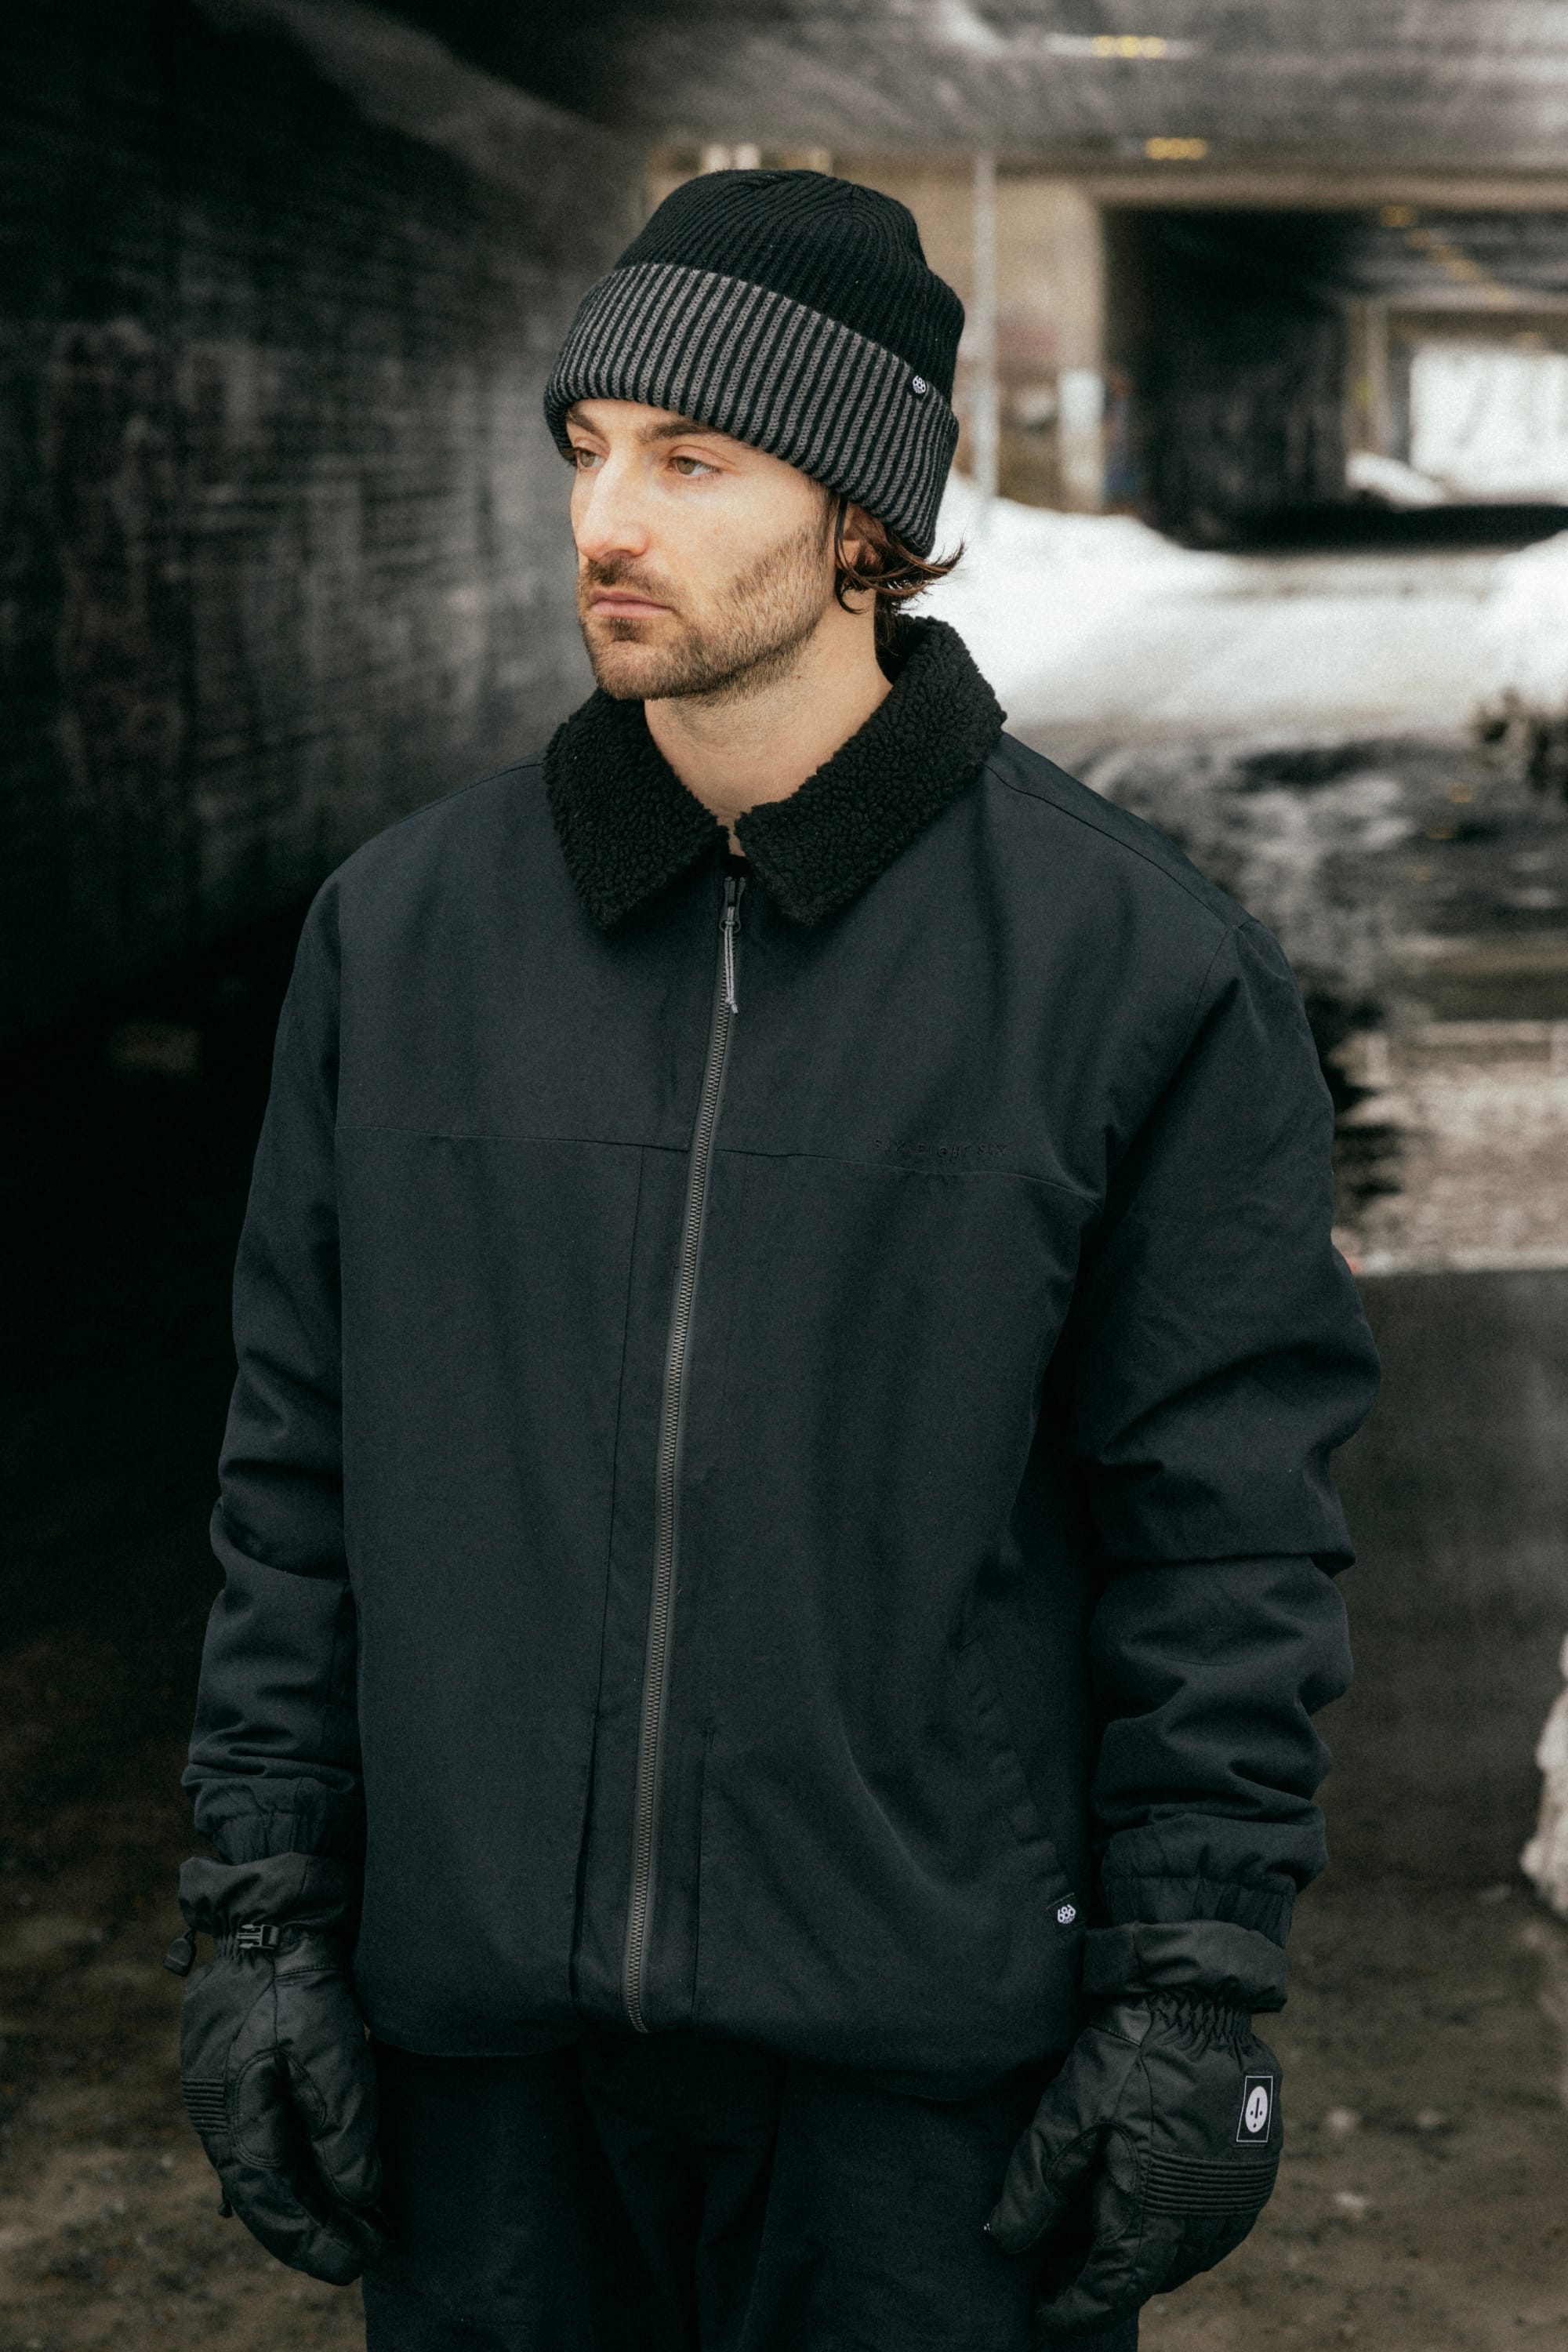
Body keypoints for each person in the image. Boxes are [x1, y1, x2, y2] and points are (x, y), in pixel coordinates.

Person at [166, 169, 1381, 2351]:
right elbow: (296, 1476)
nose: (604, 520)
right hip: (492, 2099)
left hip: (923, 2108)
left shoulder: (1131, 972)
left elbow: (1228, 1541)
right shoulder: (406, 939)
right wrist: (260, 1925)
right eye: (585, 448)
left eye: (690, 457)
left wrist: (1189, 1993)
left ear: (862, 521)